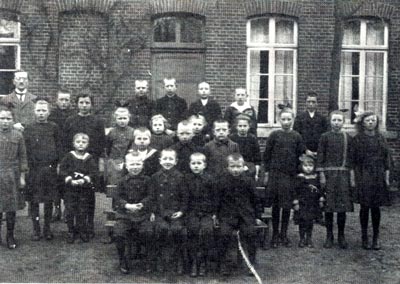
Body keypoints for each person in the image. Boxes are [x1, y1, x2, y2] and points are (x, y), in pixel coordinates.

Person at [63, 92, 106, 238]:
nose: (84, 105)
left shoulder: (97, 122)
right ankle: (73, 228)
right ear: (77, 104)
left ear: (91, 104)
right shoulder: (70, 121)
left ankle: (89, 225)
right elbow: (65, 142)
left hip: (90, 162)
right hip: (73, 161)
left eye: (87, 102)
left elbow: (101, 143)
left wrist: (99, 162)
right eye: (81, 102)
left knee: (89, 197)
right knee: (73, 198)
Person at [263, 107, 306, 248]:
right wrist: (268, 173)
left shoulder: (296, 136)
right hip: (276, 175)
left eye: (289, 119)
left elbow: (301, 156)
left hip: (289, 176)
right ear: (278, 120)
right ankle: (275, 235)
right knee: (276, 206)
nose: (286, 122)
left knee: (286, 206)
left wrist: (299, 171)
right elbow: (267, 156)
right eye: (283, 119)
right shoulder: (274, 135)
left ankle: (284, 234)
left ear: (293, 120)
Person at [352, 111, 391, 250]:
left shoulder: (381, 138)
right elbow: (354, 161)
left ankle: (375, 238)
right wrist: (355, 179)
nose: (370, 123)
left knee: (376, 208)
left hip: (378, 175)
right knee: (364, 207)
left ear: (376, 122)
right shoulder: (358, 139)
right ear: (363, 122)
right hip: (363, 175)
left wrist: (386, 177)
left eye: (373, 120)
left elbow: (387, 160)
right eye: (368, 120)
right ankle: (364, 237)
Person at [217, 153, 260, 276]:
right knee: (224, 233)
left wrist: (257, 216)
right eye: (232, 166)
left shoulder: (248, 181)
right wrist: (216, 215)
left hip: (245, 216)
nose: (235, 169)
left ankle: (251, 263)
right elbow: (218, 199)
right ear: (227, 167)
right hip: (227, 216)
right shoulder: (222, 181)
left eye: (238, 166)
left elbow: (255, 199)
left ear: (243, 167)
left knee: (250, 233)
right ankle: (224, 264)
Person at [316, 110, 354, 249]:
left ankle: (341, 236)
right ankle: (329, 235)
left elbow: (351, 159)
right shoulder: (324, 137)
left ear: (343, 122)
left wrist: (351, 177)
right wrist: (321, 175)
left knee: (342, 208)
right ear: (330, 122)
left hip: (343, 175)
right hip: (329, 175)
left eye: (339, 120)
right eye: (334, 120)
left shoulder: (348, 138)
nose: (336, 123)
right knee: (329, 207)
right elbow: (320, 157)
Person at [24, 100, 61, 241]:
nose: (41, 113)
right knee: (34, 200)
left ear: (48, 112)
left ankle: (47, 228)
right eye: (38, 110)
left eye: (44, 111)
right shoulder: (29, 128)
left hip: (49, 169)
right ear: (34, 111)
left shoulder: (54, 127)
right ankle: (36, 229)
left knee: (48, 200)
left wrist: (57, 165)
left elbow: (59, 147)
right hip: (34, 170)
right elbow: (25, 150)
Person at [112, 152, 155, 274]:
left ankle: (148, 259)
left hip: (143, 215)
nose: (135, 167)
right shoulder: (121, 181)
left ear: (142, 165)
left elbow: (151, 196)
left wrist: (142, 204)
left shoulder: (148, 180)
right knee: (119, 233)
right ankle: (123, 259)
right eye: (132, 164)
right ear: (126, 165)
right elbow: (117, 197)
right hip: (125, 215)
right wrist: (126, 205)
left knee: (148, 231)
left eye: (138, 164)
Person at [150, 149, 188, 274]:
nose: (167, 162)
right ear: (160, 161)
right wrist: (154, 212)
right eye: (165, 159)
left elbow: (185, 197)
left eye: (171, 159)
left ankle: (178, 260)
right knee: (161, 229)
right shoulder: (155, 177)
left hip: (176, 212)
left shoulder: (180, 177)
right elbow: (152, 197)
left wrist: (181, 211)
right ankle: (160, 259)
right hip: (160, 212)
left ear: (176, 161)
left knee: (177, 230)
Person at [59, 133, 98, 243]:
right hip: (71, 189)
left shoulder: (89, 158)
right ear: (73, 144)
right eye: (78, 142)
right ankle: (71, 231)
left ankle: (82, 231)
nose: (81, 144)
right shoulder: (69, 156)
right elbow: (62, 170)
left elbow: (94, 172)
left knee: (82, 210)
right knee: (70, 210)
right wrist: (70, 179)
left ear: (87, 144)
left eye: (83, 142)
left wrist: (84, 179)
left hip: (84, 190)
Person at [185, 152, 217, 277]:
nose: (196, 166)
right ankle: (193, 261)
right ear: (189, 165)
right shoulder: (186, 178)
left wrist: (214, 213)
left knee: (207, 231)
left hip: (206, 213)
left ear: (205, 165)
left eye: (199, 163)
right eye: (193, 163)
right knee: (192, 230)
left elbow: (215, 198)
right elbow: (184, 198)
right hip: (191, 212)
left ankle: (203, 261)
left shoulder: (210, 179)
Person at [0, 105, 28, 249]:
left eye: (8, 118)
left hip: (12, 174)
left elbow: (23, 157)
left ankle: (10, 235)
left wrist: (22, 177)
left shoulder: (18, 135)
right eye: (2, 118)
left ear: (13, 120)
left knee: (11, 208)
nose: (5, 121)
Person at [48, 89, 75, 222]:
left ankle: (67, 209)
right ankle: (56, 208)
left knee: (68, 182)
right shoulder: (51, 115)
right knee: (55, 184)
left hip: (70, 153)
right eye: (61, 100)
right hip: (55, 154)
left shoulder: (73, 115)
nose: (64, 103)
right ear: (56, 100)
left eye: (66, 100)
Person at [293, 154, 324, 248]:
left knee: (310, 221)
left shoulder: (315, 177)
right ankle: (302, 238)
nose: (308, 168)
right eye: (305, 166)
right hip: (302, 203)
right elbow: (295, 190)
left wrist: (321, 197)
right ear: (301, 166)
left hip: (312, 203)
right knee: (302, 221)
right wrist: (296, 201)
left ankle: (309, 238)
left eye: (310, 166)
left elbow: (319, 189)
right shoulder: (300, 177)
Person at [106, 107, 135, 186]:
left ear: (129, 119)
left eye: (124, 118)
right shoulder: (112, 132)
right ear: (115, 119)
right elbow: (108, 146)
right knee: (115, 182)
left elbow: (133, 145)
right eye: (120, 118)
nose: (122, 121)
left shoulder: (132, 131)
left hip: (127, 160)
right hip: (114, 160)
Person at [230, 114, 261, 181]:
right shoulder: (232, 138)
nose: (242, 128)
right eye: (240, 126)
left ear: (249, 126)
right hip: (235, 168)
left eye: (245, 126)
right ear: (236, 127)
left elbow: (257, 159)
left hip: (250, 169)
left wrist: (256, 174)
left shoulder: (252, 139)